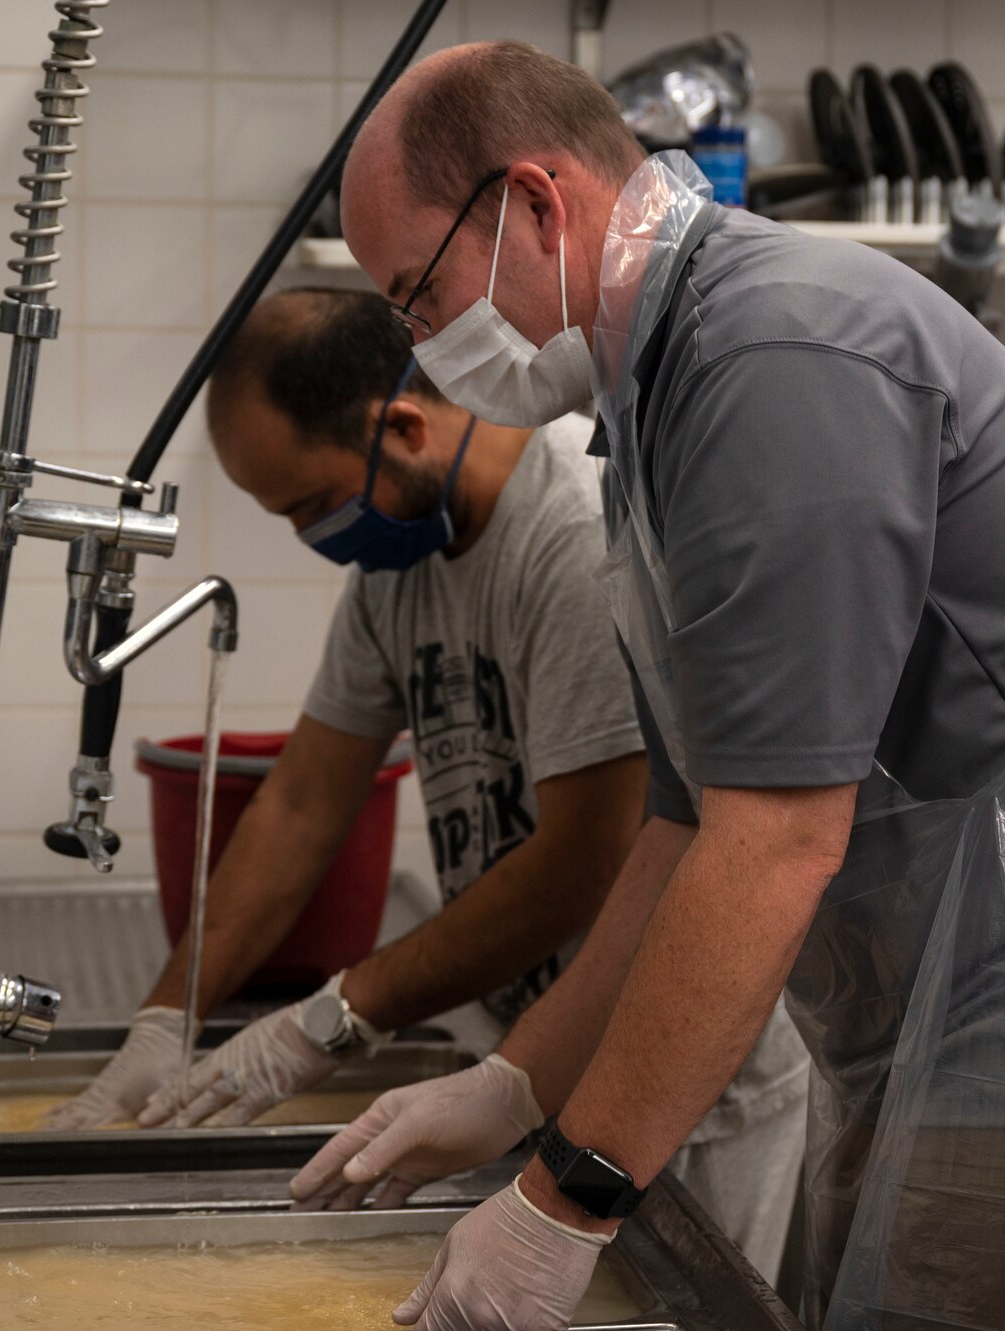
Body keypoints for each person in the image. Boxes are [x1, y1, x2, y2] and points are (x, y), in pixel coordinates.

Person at [296, 40, 1005, 1331]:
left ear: (533, 202)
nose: (422, 348)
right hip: (994, 1034)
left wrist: (564, 1199)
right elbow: (685, 827)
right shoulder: (660, 396)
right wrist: (524, 1084)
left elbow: (775, 843)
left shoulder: (772, 356)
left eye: (418, 295)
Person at [43, 287, 810, 1279]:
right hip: (533, 1051)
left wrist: (335, 1016)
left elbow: (586, 857)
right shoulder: (398, 566)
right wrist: (166, 1014)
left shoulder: (574, 539)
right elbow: (304, 798)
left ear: (401, 426)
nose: (308, 535)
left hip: (671, 1079)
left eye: (310, 504)